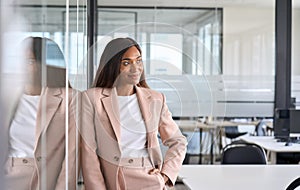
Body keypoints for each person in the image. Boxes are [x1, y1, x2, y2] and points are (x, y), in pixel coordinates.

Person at [80, 37, 187, 189]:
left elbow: (178, 141)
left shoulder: (155, 99)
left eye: (138, 60)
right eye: (126, 63)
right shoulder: (91, 99)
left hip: (150, 180)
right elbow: (88, 153)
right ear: (113, 66)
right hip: (113, 181)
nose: (135, 68)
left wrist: (165, 176)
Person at [4, 37, 78, 190]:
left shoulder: (70, 99)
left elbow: (72, 155)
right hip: (11, 177)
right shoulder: (7, 98)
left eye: (30, 62)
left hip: (50, 179)